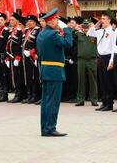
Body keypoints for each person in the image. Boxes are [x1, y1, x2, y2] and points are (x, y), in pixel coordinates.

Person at [37, 8, 73, 137]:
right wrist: (67, 29)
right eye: (56, 20)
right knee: (53, 101)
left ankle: (45, 128)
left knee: (46, 101)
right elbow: (68, 43)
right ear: (51, 21)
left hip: (46, 70)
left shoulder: (42, 33)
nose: (58, 22)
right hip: (55, 71)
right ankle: (50, 128)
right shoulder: (52, 34)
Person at [87, 11, 115, 111]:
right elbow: (89, 33)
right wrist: (96, 25)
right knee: (102, 81)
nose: (102, 21)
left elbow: (113, 48)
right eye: (101, 19)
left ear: (109, 20)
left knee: (108, 82)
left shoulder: (112, 32)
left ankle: (109, 103)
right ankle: (104, 102)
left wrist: (111, 61)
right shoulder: (99, 31)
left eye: (104, 19)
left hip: (108, 57)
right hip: (100, 58)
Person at [75, 19, 98, 106]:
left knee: (93, 80)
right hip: (81, 60)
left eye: (87, 27)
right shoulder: (78, 35)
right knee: (81, 80)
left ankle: (94, 99)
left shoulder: (94, 34)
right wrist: (77, 28)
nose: (85, 29)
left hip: (91, 60)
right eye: (84, 27)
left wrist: (93, 28)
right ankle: (80, 99)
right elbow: (71, 34)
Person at [6, 13, 25, 103]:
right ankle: (16, 93)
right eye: (10, 20)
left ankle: (19, 94)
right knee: (13, 76)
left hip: (17, 57)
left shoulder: (20, 31)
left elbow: (20, 45)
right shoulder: (11, 31)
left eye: (13, 20)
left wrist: (17, 57)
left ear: (17, 21)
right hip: (11, 56)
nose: (11, 21)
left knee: (17, 76)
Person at [22, 15, 40, 104]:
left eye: (31, 21)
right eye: (28, 21)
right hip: (25, 57)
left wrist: (33, 52)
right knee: (27, 76)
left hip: (33, 57)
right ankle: (29, 95)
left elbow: (38, 43)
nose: (29, 23)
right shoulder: (26, 31)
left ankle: (34, 95)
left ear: (35, 22)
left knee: (33, 76)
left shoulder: (37, 31)